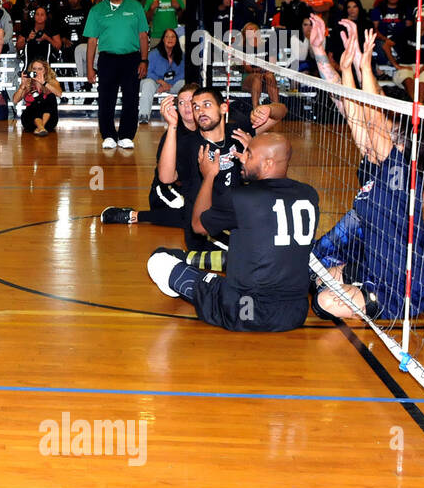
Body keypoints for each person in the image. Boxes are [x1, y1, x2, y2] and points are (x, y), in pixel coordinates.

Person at [306, 16, 424, 322]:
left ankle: (366, 292)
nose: (373, 116)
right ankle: (357, 280)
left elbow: (371, 120)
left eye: (386, 118)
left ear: (399, 137)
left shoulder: (399, 168)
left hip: (397, 288)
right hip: (371, 257)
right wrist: (326, 55)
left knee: (322, 301)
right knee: (313, 276)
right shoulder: (375, 158)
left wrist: (361, 68)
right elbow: (353, 113)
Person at [147, 130, 319, 333]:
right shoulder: (309, 194)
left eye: (249, 154)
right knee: (251, 249)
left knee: (158, 260)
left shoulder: (242, 198)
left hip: (246, 312)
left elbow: (198, 225)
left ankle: (187, 277)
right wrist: (255, 149)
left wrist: (209, 176)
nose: (241, 158)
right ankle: (193, 262)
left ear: (268, 163)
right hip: (294, 313)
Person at [158, 84, 286, 260]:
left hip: (238, 220)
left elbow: (281, 113)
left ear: (223, 108)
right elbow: (165, 178)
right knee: (263, 253)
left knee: (281, 239)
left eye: (207, 105)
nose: (200, 110)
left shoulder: (238, 132)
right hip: (207, 229)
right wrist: (172, 125)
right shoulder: (187, 144)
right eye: (196, 107)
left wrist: (268, 108)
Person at [101, 82, 200, 227]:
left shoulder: (208, 129)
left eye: (191, 101)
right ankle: (133, 216)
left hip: (194, 188)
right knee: (192, 215)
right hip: (168, 190)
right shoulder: (172, 136)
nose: (186, 106)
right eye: (181, 102)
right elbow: (170, 178)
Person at [84, 0, 149, 150]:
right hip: (107, 59)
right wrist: (90, 67)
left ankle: (127, 135)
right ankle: (109, 135)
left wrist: (144, 60)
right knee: (106, 99)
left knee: (131, 98)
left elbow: (143, 36)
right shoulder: (97, 10)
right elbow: (91, 41)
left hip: (131, 59)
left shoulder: (135, 6)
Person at [140, 28, 182, 123]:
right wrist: (162, 83)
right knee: (148, 83)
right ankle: (144, 115)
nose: (170, 39)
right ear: (163, 39)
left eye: (173, 37)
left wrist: (169, 86)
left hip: (172, 85)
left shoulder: (181, 55)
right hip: (155, 83)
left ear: (176, 39)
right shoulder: (153, 54)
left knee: (184, 83)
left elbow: (182, 74)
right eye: (167, 37)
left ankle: (183, 114)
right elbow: (148, 72)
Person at [14, 59, 62, 136]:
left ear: (45, 70)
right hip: (30, 120)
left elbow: (59, 94)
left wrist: (44, 83)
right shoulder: (28, 83)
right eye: (34, 69)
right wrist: (23, 86)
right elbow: (15, 100)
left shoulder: (52, 82)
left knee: (51, 96)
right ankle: (41, 128)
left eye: (40, 69)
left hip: (49, 121)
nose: (37, 71)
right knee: (35, 103)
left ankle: (41, 127)